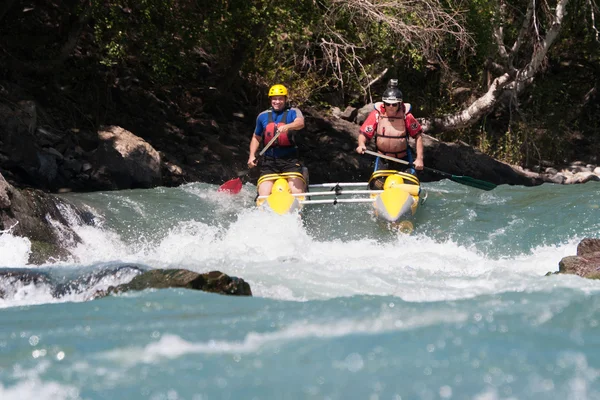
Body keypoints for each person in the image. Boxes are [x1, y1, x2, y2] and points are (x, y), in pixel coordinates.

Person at [247, 84, 306, 196]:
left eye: (280, 99)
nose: (277, 102)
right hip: (269, 161)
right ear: (270, 100)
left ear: (285, 99)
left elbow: (300, 123)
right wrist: (251, 156)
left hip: (290, 160)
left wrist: (288, 126)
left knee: (296, 191)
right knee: (264, 193)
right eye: (274, 99)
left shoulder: (293, 112)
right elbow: (256, 137)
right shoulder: (262, 116)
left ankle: (303, 181)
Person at [356, 79, 424, 174]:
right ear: (384, 104)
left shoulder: (406, 115)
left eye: (394, 104)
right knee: (377, 185)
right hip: (383, 158)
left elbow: (418, 136)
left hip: (403, 158)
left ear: (399, 104)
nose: (391, 107)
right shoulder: (376, 114)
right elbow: (364, 134)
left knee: (410, 184)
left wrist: (419, 159)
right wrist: (361, 144)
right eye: (388, 104)